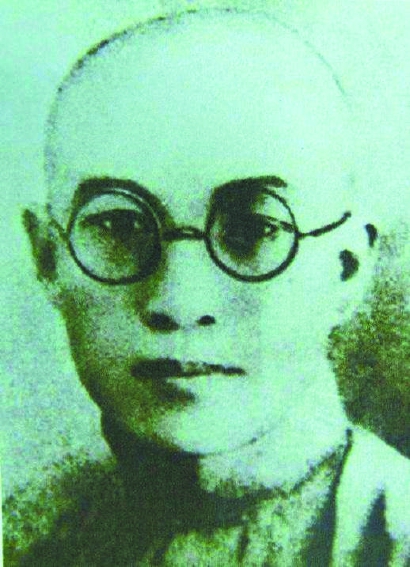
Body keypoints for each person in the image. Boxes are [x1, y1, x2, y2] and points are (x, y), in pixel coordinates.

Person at [4, 8, 410, 566]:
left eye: (253, 230)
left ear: (346, 267)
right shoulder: (20, 536)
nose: (178, 301)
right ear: (50, 259)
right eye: (119, 226)